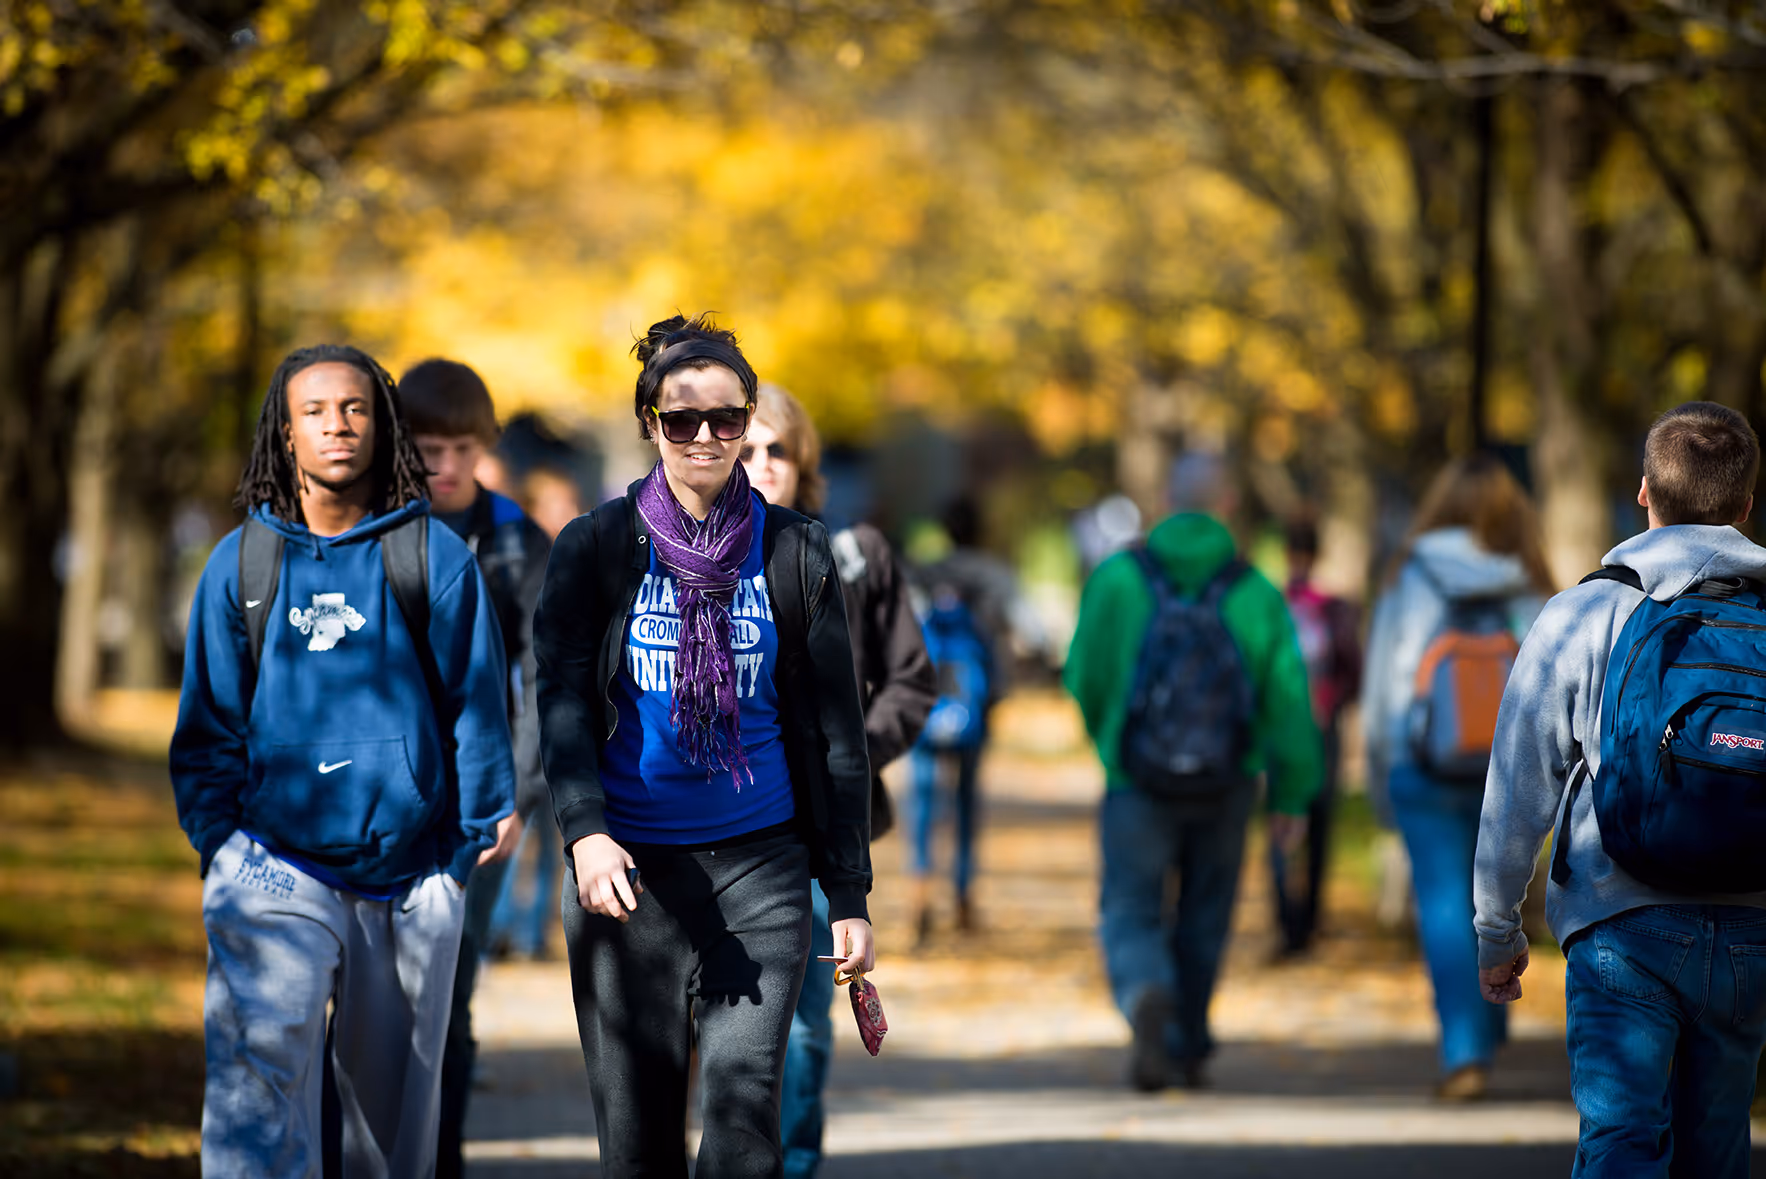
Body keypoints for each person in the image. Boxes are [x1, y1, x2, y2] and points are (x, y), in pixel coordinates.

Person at [534, 314, 877, 1177]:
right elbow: (562, 702)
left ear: (747, 420)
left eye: (726, 419)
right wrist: (585, 832)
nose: (705, 437)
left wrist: (849, 893)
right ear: (650, 421)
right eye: (682, 418)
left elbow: (837, 729)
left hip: (762, 868)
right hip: (629, 877)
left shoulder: (795, 549)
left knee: (742, 1121)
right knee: (639, 1144)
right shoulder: (596, 546)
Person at [170, 344, 516, 1177]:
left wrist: (457, 858)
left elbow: (476, 707)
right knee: (256, 1104)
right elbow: (208, 726)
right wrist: (224, 847)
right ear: (284, 432)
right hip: (271, 866)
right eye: (315, 411)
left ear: (382, 424)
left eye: (355, 408)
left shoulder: (433, 557)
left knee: (385, 1139)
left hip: (408, 875)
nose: (337, 426)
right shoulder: (240, 565)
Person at [1478, 402, 1766, 1174]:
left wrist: (1497, 930)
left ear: (1644, 492)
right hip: (1752, 928)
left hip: (1621, 921)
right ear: (1745, 506)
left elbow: (1518, 785)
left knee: (1621, 1140)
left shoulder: (1585, 613)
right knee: (1719, 1148)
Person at [1063, 454, 1321, 1091]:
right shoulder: (1254, 591)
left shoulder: (1118, 578)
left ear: (1165, 499)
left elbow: (1082, 673)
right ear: (1227, 503)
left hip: (1136, 780)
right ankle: (1186, 1040)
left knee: (1130, 907)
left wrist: (1111, 742)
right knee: (1206, 913)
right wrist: (1291, 793)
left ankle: (1145, 993)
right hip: (1227, 780)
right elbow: (1288, 698)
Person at [743, 383, 936, 1179]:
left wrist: (848, 751)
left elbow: (912, 681)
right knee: (714, 1013)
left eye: (776, 450)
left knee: (803, 1018)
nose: (759, 466)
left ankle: (791, 1162)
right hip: (714, 823)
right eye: (744, 450)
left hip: (820, 832)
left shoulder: (854, 554)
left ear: (805, 461)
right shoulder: (683, 555)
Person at [400, 357, 553, 1179]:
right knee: (364, 1001)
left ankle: (440, 1160)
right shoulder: (374, 528)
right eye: (431, 450)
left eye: (465, 449)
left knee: (447, 997)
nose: (449, 467)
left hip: (480, 806)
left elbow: (546, 678)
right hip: (380, 797)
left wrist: (517, 796)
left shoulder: (517, 541)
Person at [1362, 452, 1551, 1101]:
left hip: (1423, 761)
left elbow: (1384, 683)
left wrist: (1380, 773)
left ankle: (1465, 1047)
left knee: (1444, 901)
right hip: (1509, 765)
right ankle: (1490, 1013)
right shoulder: (1526, 575)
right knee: (1497, 894)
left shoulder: (1410, 573)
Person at [908, 497, 1013, 942]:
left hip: (927, 703)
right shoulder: (994, 575)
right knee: (967, 802)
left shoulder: (924, 574)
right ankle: (964, 897)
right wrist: (998, 696)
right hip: (974, 703)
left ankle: (920, 892)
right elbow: (1007, 639)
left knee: (923, 802)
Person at [1270, 516, 1362, 956]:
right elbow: (1352, 671)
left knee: (1286, 821)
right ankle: (1300, 924)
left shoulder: (1274, 603)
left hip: (1287, 729)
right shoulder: (1330, 609)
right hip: (1317, 728)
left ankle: (1293, 924)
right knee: (1315, 823)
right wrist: (1330, 699)